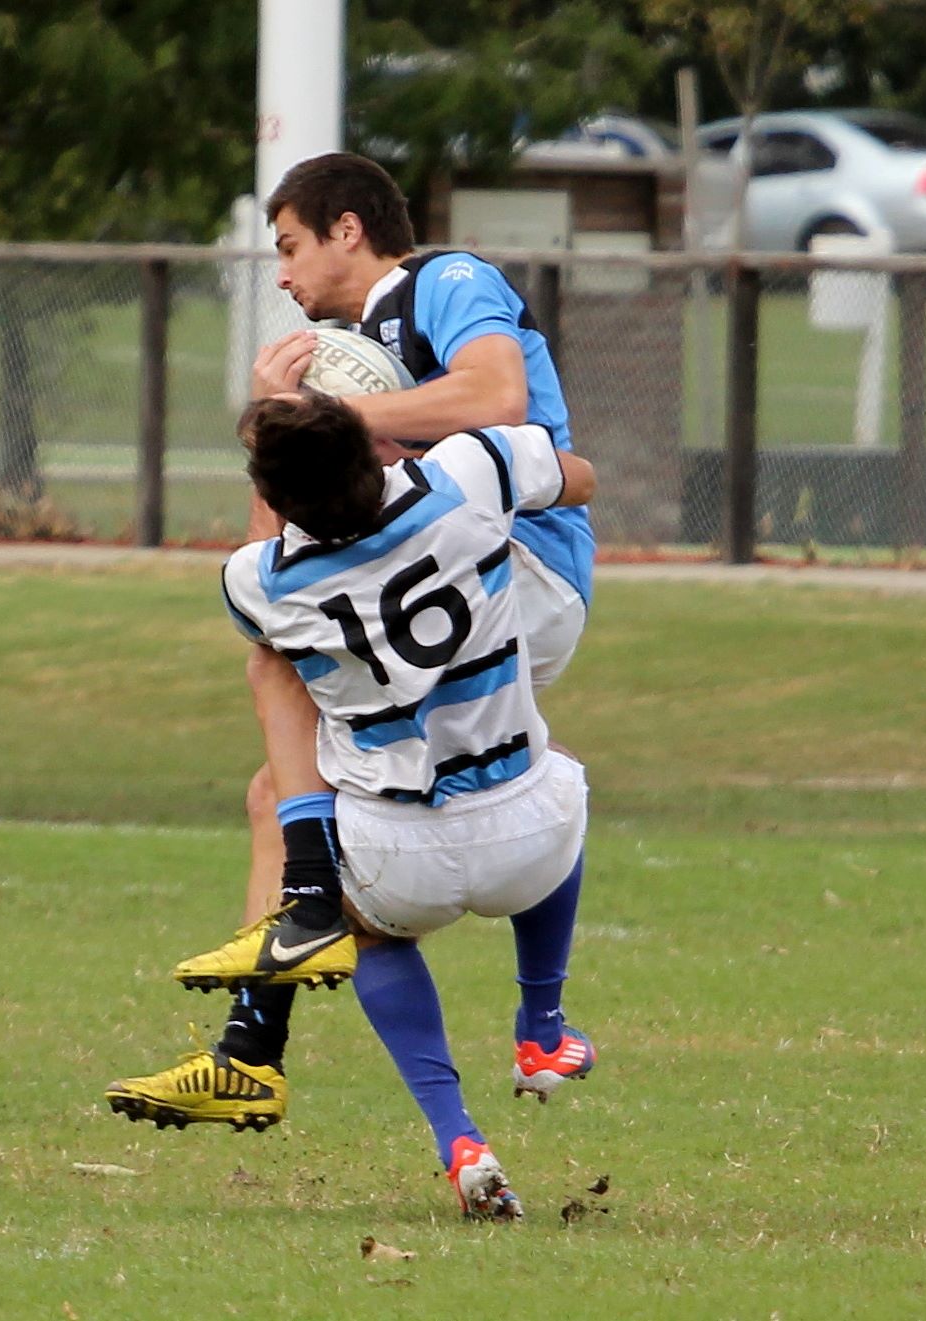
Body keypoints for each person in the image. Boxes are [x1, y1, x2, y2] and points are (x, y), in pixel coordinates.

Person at [158, 152, 597, 1096]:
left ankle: (307, 988)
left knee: (288, 698)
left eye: (288, 246)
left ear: (347, 230)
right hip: (464, 569)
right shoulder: (375, 331)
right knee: (274, 790)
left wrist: (323, 416)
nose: (280, 274)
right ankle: (249, 1049)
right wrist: (286, 432)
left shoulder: (444, 280)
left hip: (521, 564)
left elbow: (496, 398)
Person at [107, 393, 597, 1219]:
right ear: (373, 455)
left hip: (395, 851)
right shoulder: (470, 472)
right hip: (532, 834)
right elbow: (579, 481)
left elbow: (270, 610)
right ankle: (542, 1024)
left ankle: (459, 1138)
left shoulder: (257, 579)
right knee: (559, 776)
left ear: (273, 494)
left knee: (360, 927)